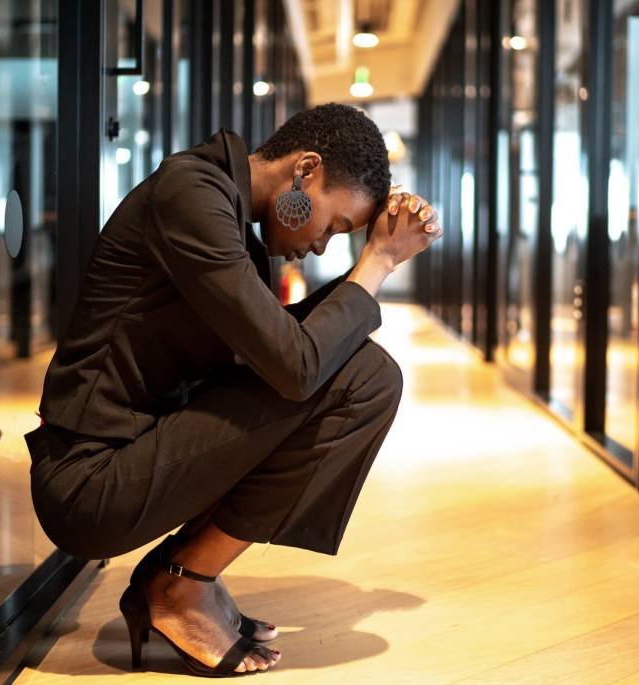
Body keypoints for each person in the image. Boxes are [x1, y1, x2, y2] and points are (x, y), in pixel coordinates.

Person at [23, 103, 442, 676]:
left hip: (139, 452)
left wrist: (374, 256)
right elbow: (295, 367)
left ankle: (184, 575)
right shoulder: (191, 198)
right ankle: (179, 587)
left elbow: (284, 353)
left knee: (366, 374)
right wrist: (379, 262)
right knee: (363, 377)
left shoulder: (226, 212)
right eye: (335, 226)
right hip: (89, 482)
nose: (322, 245)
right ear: (305, 171)